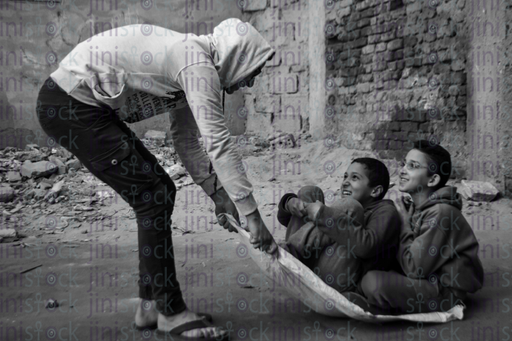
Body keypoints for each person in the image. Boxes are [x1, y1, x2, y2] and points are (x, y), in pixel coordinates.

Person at [37, 18, 277, 339]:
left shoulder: (197, 64)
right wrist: (252, 214)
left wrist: (219, 196)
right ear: (237, 57)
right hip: (68, 104)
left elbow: (187, 140)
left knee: (160, 190)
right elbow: (218, 142)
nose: (249, 83)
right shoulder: (195, 62)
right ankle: (171, 312)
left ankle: (151, 307)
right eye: (253, 70)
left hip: (82, 105)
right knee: (151, 196)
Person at [360, 141, 484, 314]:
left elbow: (414, 268)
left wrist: (403, 223)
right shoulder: (417, 207)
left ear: (432, 179)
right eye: (404, 163)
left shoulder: (441, 213)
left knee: (372, 283)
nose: (403, 170)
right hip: (424, 275)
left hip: (443, 290)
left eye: (413, 166)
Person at [276, 158, 400, 294]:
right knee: (310, 191)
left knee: (349, 205)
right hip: (314, 266)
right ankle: (290, 256)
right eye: (345, 176)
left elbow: (367, 246)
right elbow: (291, 223)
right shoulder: (350, 207)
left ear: (375, 191)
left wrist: (323, 215)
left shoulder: (386, 211)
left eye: (355, 178)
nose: (345, 182)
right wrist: (289, 203)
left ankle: (287, 254)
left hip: (343, 279)